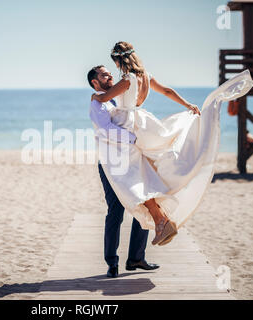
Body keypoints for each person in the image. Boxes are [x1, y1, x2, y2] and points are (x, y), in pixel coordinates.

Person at [91, 41, 253, 247]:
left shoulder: (126, 80)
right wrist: (187, 104)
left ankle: (160, 222)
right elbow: (167, 91)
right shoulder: (146, 77)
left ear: (118, 60)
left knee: (129, 179)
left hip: (130, 126)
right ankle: (161, 221)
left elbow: (104, 97)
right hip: (144, 122)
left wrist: (94, 95)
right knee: (147, 172)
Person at [88, 65, 160, 278]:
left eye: (109, 72)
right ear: (95, 82)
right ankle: (112, 263)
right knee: (116, 213)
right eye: (104, 74)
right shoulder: (97, 102)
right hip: (111, 165)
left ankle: (136, 258)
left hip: (131, 161)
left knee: (143, 204)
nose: (109, 75)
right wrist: (134, 138)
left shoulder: (117, 99)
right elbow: (106, 129)